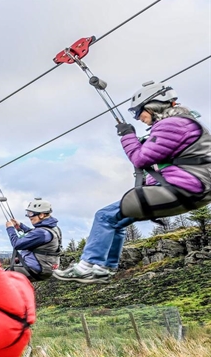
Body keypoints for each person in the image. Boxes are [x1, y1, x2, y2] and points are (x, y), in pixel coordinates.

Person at [56, 81, 210, 283]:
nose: (139, 118)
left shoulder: (172, 124)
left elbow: (140, 159)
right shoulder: (184, 123)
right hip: (195, 187)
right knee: (117, 221)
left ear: (153, 105)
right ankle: (103, 268)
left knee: (103, 215)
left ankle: (86, 266)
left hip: (185, 187)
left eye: (140, 112)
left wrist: (128, 136)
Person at [5, 198, 62, 282]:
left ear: (42, 215)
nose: (29, 216)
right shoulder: (53, 228)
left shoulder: (42, 233)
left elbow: (17, 244)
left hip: (36, 269)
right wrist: (20, 226)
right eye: (28, 213)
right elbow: (35, 234)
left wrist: (10, 228)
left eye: (31, 214)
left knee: (0, 277)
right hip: (47, 268)